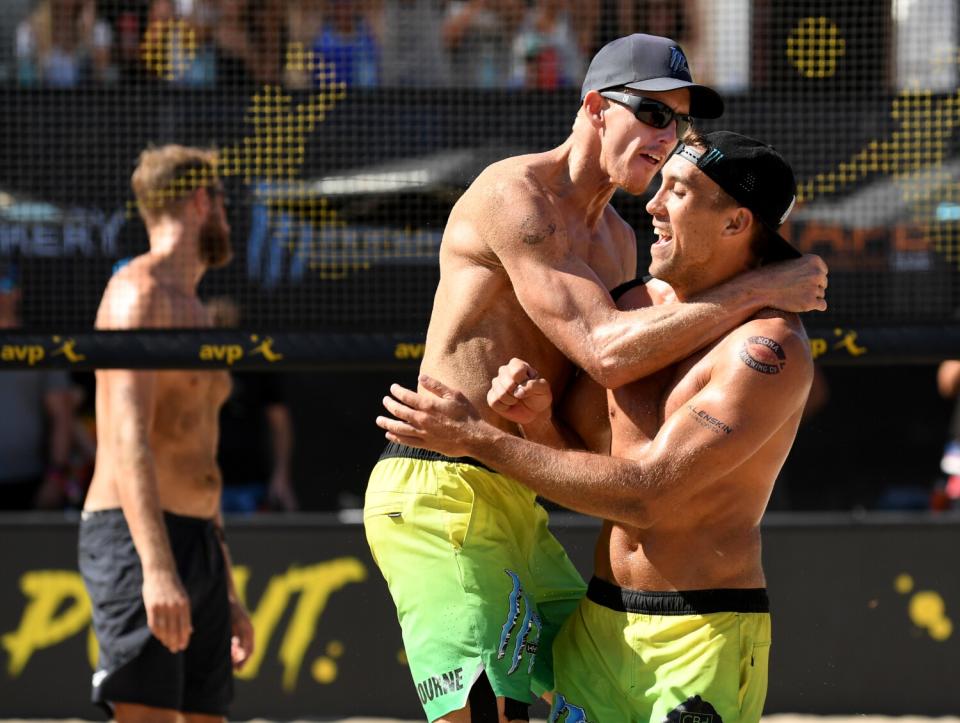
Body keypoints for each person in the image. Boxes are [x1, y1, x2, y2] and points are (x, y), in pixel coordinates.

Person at [363, 31, 827, 723]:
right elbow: (609, 354)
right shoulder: (514, 195)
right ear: (595, 106)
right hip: (442, 475)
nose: (667, 136)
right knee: (489, 711)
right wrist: (762, 285)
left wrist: (538, 419)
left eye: (678, 124)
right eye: (653, 113)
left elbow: (612, 425)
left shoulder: (618, 240)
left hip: (524, 488)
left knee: (559, 677)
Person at [79, 145, 254, 721]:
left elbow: (201, 455)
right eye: (223, 201)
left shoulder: (198, 312)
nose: (228, 217)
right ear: (202, 201)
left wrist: (225, 588)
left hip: (197, 540)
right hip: (136, 538)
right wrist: (156, 568)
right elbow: (127, 438)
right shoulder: (140, 294)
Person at [206, 296, 298, 513]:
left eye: (225, 314)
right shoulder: (192, 364)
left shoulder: (256, 361)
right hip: (202, 481)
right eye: (215, 316)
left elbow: (280, 423)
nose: (220, 318)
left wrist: (281, 476)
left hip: (250, 484)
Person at [0, 261, 78, 510]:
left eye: (5, 285)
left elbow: (62, 416)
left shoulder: (40, 348)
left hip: (30, 480)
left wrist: (56, 476)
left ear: (18, 292)